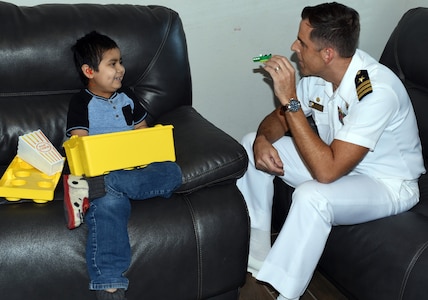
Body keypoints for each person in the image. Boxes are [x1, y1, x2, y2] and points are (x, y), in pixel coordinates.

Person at [237, 2, 425, 300]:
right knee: (249, 143)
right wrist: (262, 140)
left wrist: (289, 99)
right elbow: (279, 121)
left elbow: (326, 173)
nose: (293, 47)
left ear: (327, 53)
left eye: (302, 42)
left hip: (386, 183)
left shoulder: (376, 92)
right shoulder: (319, 78)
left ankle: (286, 293)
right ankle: (257, 252)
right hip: (337, 161)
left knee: (312, 197)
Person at [63, 31, 182, 300]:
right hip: (102, 171)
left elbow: (143, 132)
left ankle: (105, 186)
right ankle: (109, 285)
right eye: (113, 63)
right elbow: (80, 144)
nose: (121, 69)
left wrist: (153, 140)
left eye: (121, 62)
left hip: (134, 171)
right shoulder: (80, 103)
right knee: (110, 204)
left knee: (173, 172)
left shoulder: (127, 95)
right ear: (89, 71)